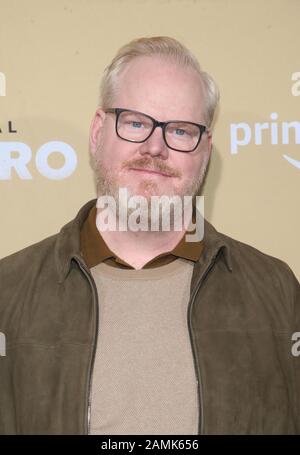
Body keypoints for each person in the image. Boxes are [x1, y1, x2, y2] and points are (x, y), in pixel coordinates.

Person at [0, 36, 299, 436]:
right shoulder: (8, 291)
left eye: (179, 130)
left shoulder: (277, 292)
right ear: (97, 132)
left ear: (205, 150)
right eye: (136, 122)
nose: (155, 147)